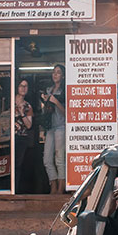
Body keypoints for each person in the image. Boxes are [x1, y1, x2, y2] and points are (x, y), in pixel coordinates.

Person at [41, 64, 66, 194]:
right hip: (50, 127)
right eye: (53, 72)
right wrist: (45, 102)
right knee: (46, 159)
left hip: (61, 126)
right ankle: (53, 185)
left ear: (63, 76)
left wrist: (56, 102)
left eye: (58, 72)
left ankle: (60, 189)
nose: (55, 74)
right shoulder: (49, 89)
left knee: (59, 158)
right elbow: (45, 112)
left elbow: (67, 114)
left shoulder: (65, 90)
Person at [14, 78, 34, 193]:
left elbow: (29, 125)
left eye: (26, 86)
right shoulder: (9, 102)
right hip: (7, 138)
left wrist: (22, 113)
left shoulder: (28, 106)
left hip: (21, 138)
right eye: (21, 85)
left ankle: (15, 190)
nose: (23, 88)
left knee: (18, 165)